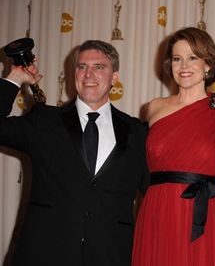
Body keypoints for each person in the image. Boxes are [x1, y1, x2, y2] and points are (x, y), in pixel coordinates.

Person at [0, 40, 149, 265]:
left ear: (114, 78)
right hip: (44, 254)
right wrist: (15, 79)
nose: (89, 74)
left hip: (111, 255)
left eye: (99, 67)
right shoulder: (44, 121)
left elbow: (156, 193)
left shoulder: (138, 132)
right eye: (82, 67)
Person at [132, 27, 215, 266]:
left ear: (208, 65)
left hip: (203, 211)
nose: (184, 66)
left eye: (193, 58)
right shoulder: (154, 108)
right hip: (157, 210)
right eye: (177, 59)